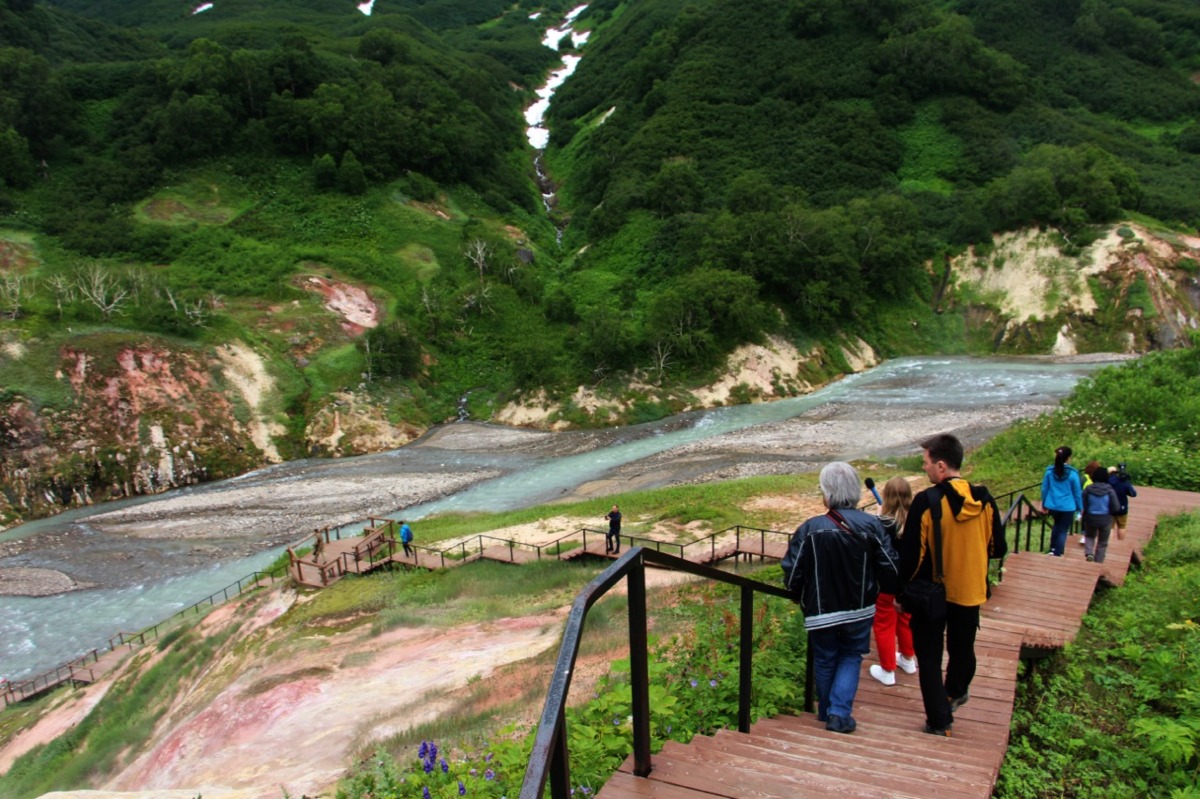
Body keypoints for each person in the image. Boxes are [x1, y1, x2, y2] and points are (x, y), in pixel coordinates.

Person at [898, 434, 1006, 736]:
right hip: (971, 589)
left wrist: (899, 591)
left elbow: (912, 556)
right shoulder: (984, 498)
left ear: (941, 466)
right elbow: (998, 547)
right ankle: (956, 691)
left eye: (926, 464)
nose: (925, 470)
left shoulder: (927, 500)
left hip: (932, 593)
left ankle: (939, 720)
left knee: (930, 658)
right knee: (962, 648)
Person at [782, 462, 899, 734]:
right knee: (850, 655)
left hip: (821, 610)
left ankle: (826, 712)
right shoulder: (872, 525)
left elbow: (793, 571)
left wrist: (796, 593)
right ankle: (839, 713)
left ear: (827, 494)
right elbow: (890, 567)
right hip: (860, 607)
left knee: (824, 659)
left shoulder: (810, 528)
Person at [870, 477, 918, 686]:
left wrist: (879, 516)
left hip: (887, 585)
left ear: (886, 497)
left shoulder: (881, 524)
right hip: (910, 584)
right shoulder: (917, 522)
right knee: (906, 620)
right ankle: (908, 659)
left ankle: (888, 670)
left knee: (884, 625)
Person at [1040, 446, 1082, 557]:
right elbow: (1077, 493)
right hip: (1068, 506)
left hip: (1053, 504)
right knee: (1063, 530)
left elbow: (1044, 489)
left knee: (1056, 526)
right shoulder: (1073, 474)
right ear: (1068, 458)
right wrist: (1080, 508)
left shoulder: (1049, 472)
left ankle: (1052, 549)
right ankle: (1058, 553)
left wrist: (1044, 503)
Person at [1082, 466, 1121, 563]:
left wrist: (1085, 512)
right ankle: (1098, 562)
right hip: (1105, 519)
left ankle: (1089, 553)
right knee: (1102, 542)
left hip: (1090, 517)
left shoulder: (1088, 489)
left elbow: (1083, 503)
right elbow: (1116, 507)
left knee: (1090, 536)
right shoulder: (1110, 490)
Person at [1108, 463, 1138, 540]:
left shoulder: (1109, 481)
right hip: (1122, 507)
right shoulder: (1124, 481)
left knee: (1110, 527)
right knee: (1122, 526)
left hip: (1111, 508)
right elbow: (1133, 494)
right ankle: (1120, 543)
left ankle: (1109, 544)